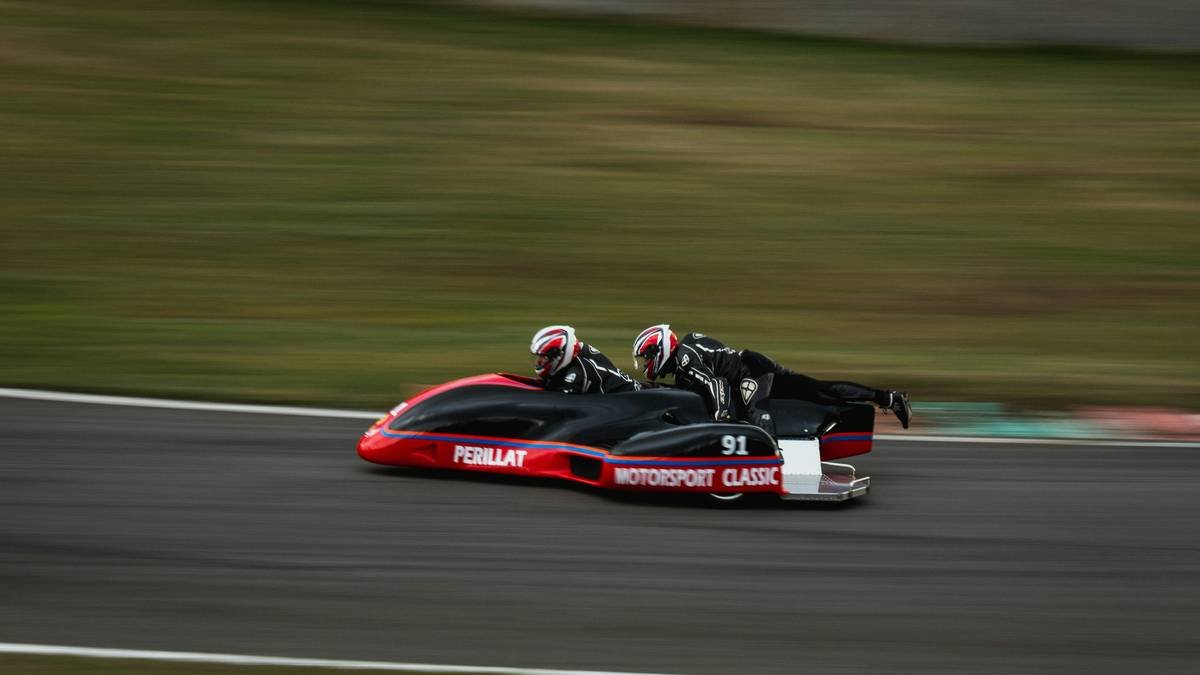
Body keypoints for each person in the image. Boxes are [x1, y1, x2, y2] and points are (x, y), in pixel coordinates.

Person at [631, 324, 911, 429]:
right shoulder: (684, 358)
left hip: (749, 372)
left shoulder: (685, 358)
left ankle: (774, 464)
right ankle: (888, 398)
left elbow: (716, 385)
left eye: (647, 357)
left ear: (661, 349)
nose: (645, 364)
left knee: (754, 414)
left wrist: (721, 422)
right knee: (816, 390)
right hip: (751, 364)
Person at [531, 325, 641, 394]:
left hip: (636, 399)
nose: (539, 361)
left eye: (543, 357)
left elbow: (562, 405)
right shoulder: (576, 356)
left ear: (558, 356)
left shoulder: (575, 376)